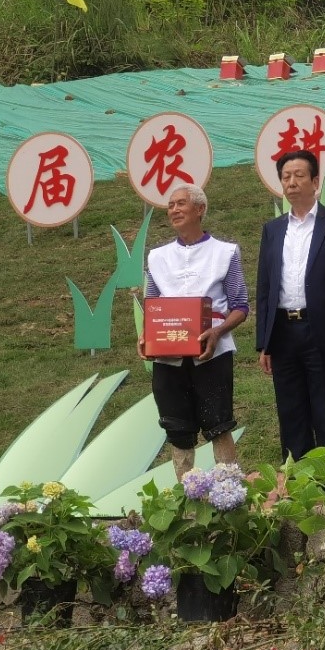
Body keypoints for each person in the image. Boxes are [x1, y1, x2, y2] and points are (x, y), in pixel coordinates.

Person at [256, 149, 325, 462]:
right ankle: (297, 480)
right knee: (290, 412)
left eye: (299, 175)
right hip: (283, 332)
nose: (291, 182)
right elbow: (265, 287)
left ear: (315, 181)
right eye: (285, 177)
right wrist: (264, 342)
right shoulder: (273, 229)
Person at [140, 185, 247, 479]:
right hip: (168, 355)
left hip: (213, 352)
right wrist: (146, 336)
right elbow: (152, 306)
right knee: (177, 428)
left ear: (200, 209)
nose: (174, 210)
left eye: (181, 204)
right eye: (170, 205)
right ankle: (186, 496)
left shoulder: (225, 253)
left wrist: (218, 331)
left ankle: (229, 491)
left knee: (219, 424)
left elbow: (240, 306)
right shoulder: (157, 257)